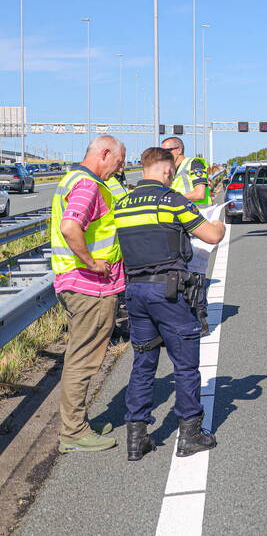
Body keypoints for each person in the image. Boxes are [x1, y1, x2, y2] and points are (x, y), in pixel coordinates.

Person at [114, 147, 226, 461]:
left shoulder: (123, 204)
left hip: (135, 292)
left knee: (143, 363)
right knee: (185, 364)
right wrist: (220, 225)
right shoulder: (171, 200)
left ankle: (136, 437)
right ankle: (190, 434)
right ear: (167, 170)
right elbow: (210, 235)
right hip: (168, 292)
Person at [50, 135, 126, 454]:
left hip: (74, 282)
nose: (119, 168)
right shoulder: (89, 185)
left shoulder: (71, 179)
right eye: (119, 162)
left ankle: (77, 422)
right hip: (89, 286)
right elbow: (70, 227)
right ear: (104, 153)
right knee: (83, 360)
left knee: (78, 356)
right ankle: (74, 432)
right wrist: (92, 262)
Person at [161, 137, 212, 333]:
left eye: (167, 150)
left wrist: (170, 199)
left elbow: (200, 193)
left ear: (179, 150)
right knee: (178, 270)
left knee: (196, 272)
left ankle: (200, 318)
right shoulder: (168, 170)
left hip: (197, 221)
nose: (164, 154)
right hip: (178, 223)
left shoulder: (194, 164)